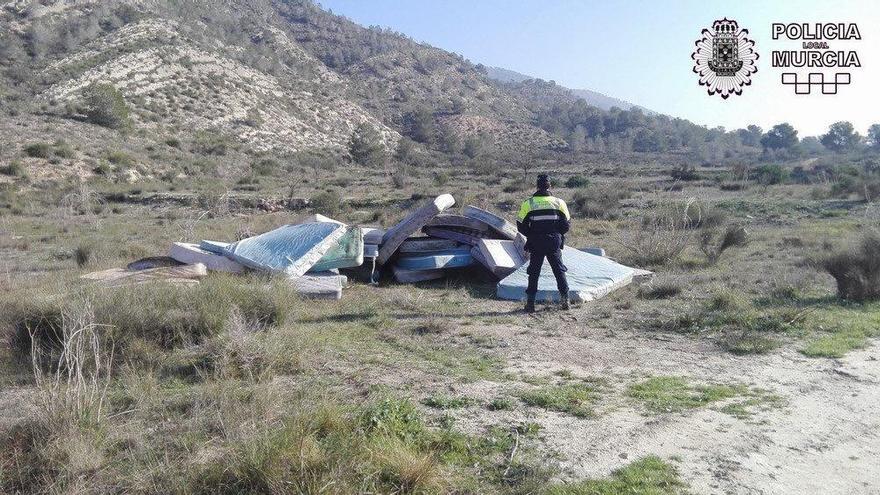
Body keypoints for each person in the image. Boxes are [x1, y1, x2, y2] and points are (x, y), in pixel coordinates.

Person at [516, 174, 571, 313]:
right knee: (559, 271)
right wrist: (556, 234)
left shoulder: (528, 203)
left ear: (537, 186)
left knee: (534, 273)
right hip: (554, 242)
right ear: (550, 186)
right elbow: (566, 225)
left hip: (536, 242)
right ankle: (565, 302)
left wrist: (532, 235)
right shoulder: (559, 202)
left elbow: (520, 225)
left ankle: (530, 305)